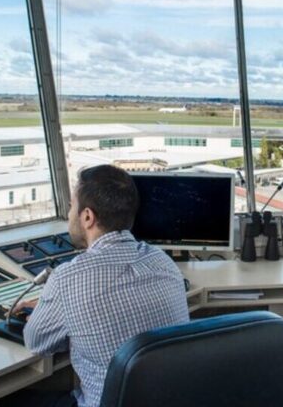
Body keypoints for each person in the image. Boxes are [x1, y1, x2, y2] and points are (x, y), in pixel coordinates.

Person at [16, 164, 190, 407]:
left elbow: (36, 343)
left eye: (71, 208)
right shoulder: (163, 261)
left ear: (87, 217)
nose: (68, 216)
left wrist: (51, 309)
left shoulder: (68, 278)